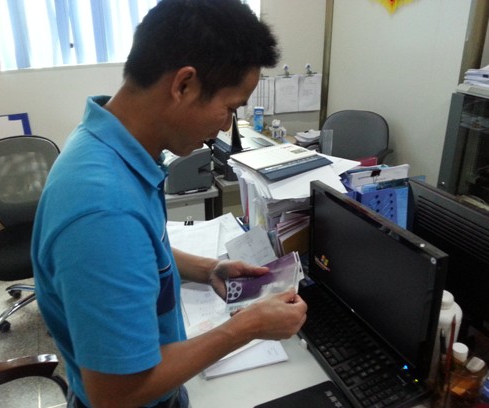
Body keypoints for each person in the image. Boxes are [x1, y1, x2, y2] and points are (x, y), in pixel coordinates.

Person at [31, 0, 308, 407]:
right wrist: (245, 328)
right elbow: (117, 393)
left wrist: (206, 269)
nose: (225, 125)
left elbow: (138, 249)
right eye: (229, 108)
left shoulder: (110, 146)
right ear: (184, 85)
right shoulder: (104, 211)